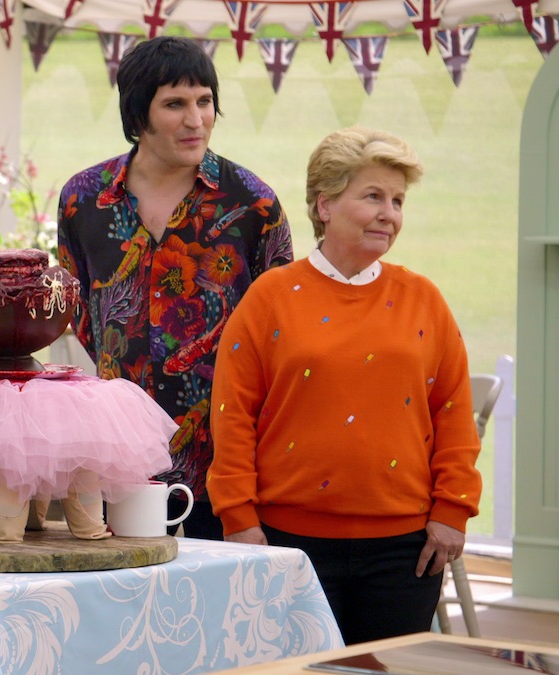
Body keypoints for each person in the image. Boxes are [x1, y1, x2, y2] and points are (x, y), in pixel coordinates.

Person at [207, 127, 482, 644]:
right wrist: (239, 519)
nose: (389, 214)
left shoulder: (423, 299)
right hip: (287, 544)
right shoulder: (270, 297)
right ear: (325, 204)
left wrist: (453, 509)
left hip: (405, 550)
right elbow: (232, 414)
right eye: (373, 196)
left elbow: (452, 409)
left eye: (397, 201)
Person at [56, 36, 292, 539]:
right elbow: (82, 313)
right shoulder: (83, 199)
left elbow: (281, 327)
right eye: (175, 104)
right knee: (122, 581)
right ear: (137, 114)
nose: (196, 120)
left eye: (204, 101)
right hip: (122, 455)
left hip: (227, 457)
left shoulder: (253, 204)